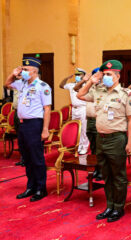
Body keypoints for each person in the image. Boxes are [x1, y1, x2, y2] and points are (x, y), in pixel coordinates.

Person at [77, 60, 131, 222]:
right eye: (104, 75)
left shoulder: (126, 94)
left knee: (118, 175)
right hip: (100, 138)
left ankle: (118, 207)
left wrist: (130, 142)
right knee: (106, 175)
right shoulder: (99, 92)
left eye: (109, 74)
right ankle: (109, 206)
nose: (106, 77)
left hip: (117, 138)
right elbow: (80, 95)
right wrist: (90, 81)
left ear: (117, 76)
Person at [5, 57, 51, 202]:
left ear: (34, 71)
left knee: (36, 158)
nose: (23, 72)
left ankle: (40, 188)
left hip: (35, 124)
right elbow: (7, 84)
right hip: (23, 125)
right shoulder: (22, 84)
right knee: (27, 158)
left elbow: (47, 109)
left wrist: (45, 129)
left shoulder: (43, 86)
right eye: (22, 69)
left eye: (25, 70)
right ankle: (30, 186)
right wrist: (14, 74)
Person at [73, 67, 102, 180]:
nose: (96, 78)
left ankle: (101, 171)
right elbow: (76, 89)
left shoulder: (102, 89)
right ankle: (96, 169)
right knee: (94, 148)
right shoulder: (89, 87)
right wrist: (86, 81)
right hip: (89, 120)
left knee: (100, 148)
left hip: (98, 120)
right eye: (94, 75)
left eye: (98, 75)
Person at [60, 68, 89, 155]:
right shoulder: (71, 85)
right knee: (76, 128)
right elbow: (61, 85)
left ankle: (85, 147)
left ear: (84, 76)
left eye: (79, 75)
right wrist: (67, 78)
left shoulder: (86, 85)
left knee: (84, 129)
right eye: (76, 75)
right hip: (74, 109)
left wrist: (85, 80)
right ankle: (78, 146)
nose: (77, 76)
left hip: (83, 108)